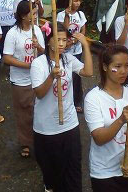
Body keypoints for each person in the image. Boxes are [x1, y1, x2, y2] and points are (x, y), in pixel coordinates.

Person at [30, 22, 93, 192]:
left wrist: (85, 46)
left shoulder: (68, 59)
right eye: (57, 40)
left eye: (64, 40)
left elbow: (88, 72)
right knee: (52, 172)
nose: (61, 44)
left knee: (73, 167)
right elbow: (40, 94)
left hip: (69, 124)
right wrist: (51, 76)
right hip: (46, 128)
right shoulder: (38, 64)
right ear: (49, 41)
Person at [84, 44, 128, 191]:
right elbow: (98, 138)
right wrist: (120, 120)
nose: (123, 71)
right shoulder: (93, 98)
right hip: (104, 173)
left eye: (126, 65)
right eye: (117, 66)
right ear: (105, 67)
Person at [3, 0, 45, 158]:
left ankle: (39, 141)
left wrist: (39, 47)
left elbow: (44, 52)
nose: (35, 16)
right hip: (20, 81)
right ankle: (25, 143)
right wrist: (27, 66)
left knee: (39, 111)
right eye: (32, 14)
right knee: (24, 113)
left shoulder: (37, 30)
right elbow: (6, 58)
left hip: (38, 79)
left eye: (35, 13)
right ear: (22, 16)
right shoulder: (13, 33)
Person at [57, 0, 87, 113]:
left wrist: (75, 40)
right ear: (69, 1)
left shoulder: (81, 14)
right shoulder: (61, 14)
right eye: (75, 1)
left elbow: (83, 29)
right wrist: (67, 16)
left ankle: (77, 101)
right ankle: (63, 100)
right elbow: (62, 30)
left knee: (77, 76)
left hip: (77, 50)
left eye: (79, 1)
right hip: (64, 50)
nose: (78, 3)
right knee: (64, 75)